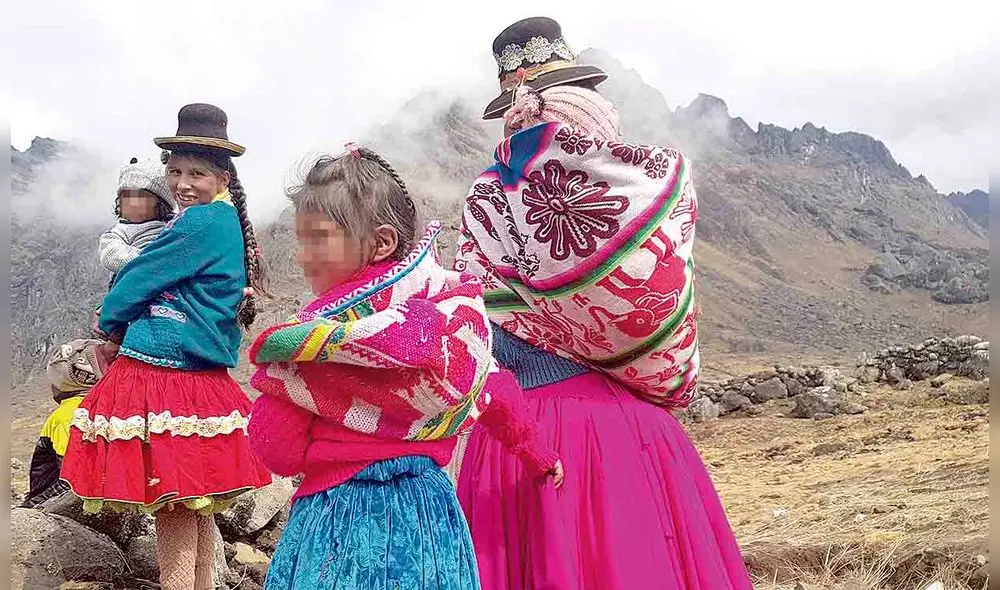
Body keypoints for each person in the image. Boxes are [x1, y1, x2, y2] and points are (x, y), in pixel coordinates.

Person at [453, 17, 754, 590]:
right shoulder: (653, 181)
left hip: (519, 438)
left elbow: (478, 323)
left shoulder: (486, 200)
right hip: (629, 436)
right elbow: (660, 297)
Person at [246, 145, 561, 590]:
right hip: (427, 514)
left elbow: (277, 448)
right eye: (302, 241)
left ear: (381, 243)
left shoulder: (317, 345)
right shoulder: (454, 326)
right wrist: (538, 457)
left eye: (317, 239)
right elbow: (496, 391)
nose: (302, 256)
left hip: (340, 513)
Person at [60, 103, 273, 590]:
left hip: (164, 367)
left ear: (222, 175)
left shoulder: (198, 223)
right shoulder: (222, 220)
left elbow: (140, 275)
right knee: (191, 500)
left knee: (171, 501)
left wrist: (110, 324)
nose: (182, 184)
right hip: (195, 370)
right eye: (174, 172)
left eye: (196, 173)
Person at [21, 339, 108, 509]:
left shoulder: (66, 415)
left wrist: (32, 507)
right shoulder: (108, 410)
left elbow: (70, 481)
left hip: (58, 508)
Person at [92, 156, 176, 332]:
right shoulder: (118, 232)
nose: (132, 202)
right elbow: (111, 256)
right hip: (128, 294)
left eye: (140, 196)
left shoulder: (172, 229)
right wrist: (152, 261)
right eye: (126, 196)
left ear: (161, 203)